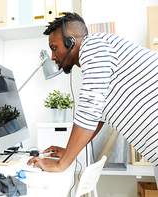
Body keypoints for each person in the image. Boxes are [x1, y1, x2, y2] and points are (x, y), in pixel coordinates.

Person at [27, 12, 158, 183]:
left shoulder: (93, 45)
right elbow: (98, 117)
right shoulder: (100, 60)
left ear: (70, 42)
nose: (52, 57)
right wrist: (68, 152)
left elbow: (89, 109)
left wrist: (62, 164)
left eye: (54, 48)